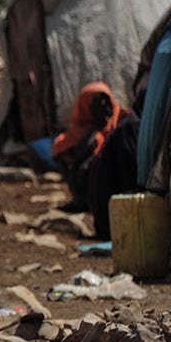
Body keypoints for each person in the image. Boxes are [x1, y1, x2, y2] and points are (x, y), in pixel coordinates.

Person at [52, 82, 140, 238]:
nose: (103, 107)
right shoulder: (77, 136)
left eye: (106, 101)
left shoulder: (123, 128)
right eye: (96, 102)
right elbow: (61, 154)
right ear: (85, 106)